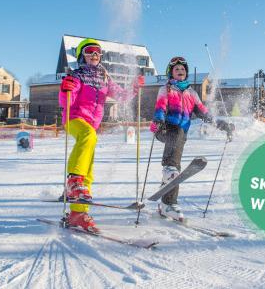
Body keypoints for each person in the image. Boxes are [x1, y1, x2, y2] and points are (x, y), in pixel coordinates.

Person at [58, 38, 144, 232]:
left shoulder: (105, 77)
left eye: (97, 51)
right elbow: (66, 102)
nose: (94, 55)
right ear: (81, 55)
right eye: (89, 51)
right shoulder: (77, 75)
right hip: (74, 118)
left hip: (91, 125)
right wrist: (66, 89)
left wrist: (133, 89)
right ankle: (73, 181)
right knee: (87, 135)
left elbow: (121, 96)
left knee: (89, 167)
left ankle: (78, 213)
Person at [150, 56, 234, 221]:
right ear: (171, 73)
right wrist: (158, 121)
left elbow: (204, 113)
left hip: (180, 134)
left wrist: (222, 125)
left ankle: (166, 203)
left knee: (176, 163)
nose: (180, 71)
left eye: (182, 69)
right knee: (174, 153)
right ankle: (169, 172)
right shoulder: (166, 89)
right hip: (164, 129)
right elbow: (160, 107)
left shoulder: (192, 93)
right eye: (176, 69)